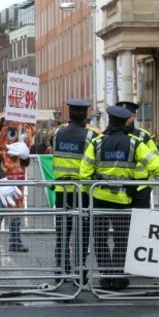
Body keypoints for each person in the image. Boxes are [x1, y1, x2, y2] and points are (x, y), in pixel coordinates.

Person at [79, 106, 159, 291]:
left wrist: (89, 191)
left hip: (99, 197)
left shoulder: (96, 143)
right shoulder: (135, 143)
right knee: (122, 238)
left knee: (100, 237)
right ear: (126, 122)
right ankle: (119, 277)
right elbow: (156, 166)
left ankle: (106, 276)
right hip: (123, 200)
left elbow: (84, 173)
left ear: (110, 122)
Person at [50, 99, 101, 282]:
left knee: (62, 231)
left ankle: (60, 270)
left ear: (69, 113)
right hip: (82, 191)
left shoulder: (56, 133)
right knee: (82, 232)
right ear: (85, 115)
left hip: (62, 190)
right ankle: (80, 272)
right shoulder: (90, 136)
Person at [0, 114, 35, 253]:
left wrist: (25, 154)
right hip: (2, 182)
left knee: (16, 212)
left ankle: (15, 242)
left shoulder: (21, 141)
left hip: (18, 180)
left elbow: (26, 163)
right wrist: (3, 181)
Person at [116, 101, 159, 209]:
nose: (124, 117)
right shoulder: (109, 136)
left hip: (141, 188)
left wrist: (149, 185)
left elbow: (156, 159)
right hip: (118, 188)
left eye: (127, 114)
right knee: (122, 224)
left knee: (140, 224)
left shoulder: (144, 136)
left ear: (134, 115)